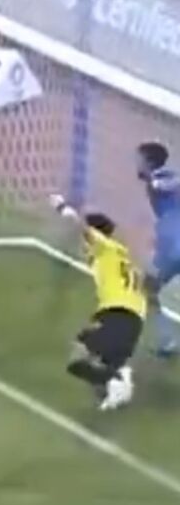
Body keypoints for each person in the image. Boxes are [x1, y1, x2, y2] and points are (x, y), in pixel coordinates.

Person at [50, 195, 146, 410]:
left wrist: (62, 207)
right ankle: (116, 378)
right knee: (94, 360)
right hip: (132, 318)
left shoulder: (104, 247)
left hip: (118, 313)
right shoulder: (122, 254)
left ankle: (117, 381)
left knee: (78, 358)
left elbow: (81, 228)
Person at [136, 141, 180, 354]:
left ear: (149, 162)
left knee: (148, 288)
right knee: (149, 288)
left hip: (174, 248)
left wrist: (156, 183)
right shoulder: (155, 181)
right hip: (170, 244)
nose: (136, 163)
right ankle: (166, 340)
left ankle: (167, 341)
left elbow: (171, 183)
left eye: (139, 159)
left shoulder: (163, 178)